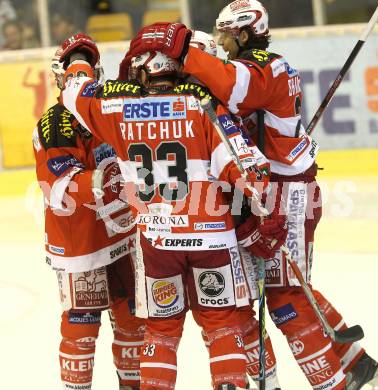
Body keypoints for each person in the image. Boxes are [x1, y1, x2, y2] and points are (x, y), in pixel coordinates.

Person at [121, 2, 378, 389]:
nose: (222, 43)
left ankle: (336, 381)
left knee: (284, 295)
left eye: (225, 35)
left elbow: (234, 85)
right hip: (268, 191)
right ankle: (353, 361)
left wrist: (185, 50)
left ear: (243, 34)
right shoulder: (253, 66)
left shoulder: (262, 66)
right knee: (281, 286)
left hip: (286, 193)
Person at [57, 32, 286, 390]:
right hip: (210, 236)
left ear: (144, 74)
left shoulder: (117, 109)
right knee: (223, 322)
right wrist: (264, 209)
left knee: (162, 331)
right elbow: (248, 167)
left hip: (157, 240)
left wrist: (80, 58)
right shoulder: (201, 104)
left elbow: (73, 93)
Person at [33, 45, 144, 390]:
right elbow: (60, 182)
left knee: (133, 321)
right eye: (73, 71)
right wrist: (107, 184)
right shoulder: (56, 121)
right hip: (79, 239)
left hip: (120, 233)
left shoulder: (105, 109)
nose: (80, 77)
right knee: (82, 324)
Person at [188, 29, 282, 390]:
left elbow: (245, 172)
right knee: (221, 322)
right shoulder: (200, 105)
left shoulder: (215, 109)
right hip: (199, 233)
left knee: (236, 319)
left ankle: (266, 384)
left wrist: (248, 222)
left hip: (223, 233)